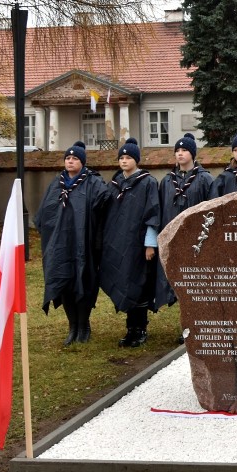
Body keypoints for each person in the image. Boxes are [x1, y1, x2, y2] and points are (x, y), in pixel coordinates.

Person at [35, 141, 110, 346]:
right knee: (64, 282)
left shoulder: (93, 182)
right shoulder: (56, 183)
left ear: (82, 162)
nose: (70, 161)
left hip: (83, 245)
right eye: (67, 158)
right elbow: (45, 213)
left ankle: (84, 325)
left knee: (82, 283)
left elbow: (102, 209)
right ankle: (72, 326)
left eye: (74, 158)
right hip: (60, 246)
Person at [99, 138, 161, 348]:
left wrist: (150, 244)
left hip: (139, 244)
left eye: (128, 158)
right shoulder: (115, 184)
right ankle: (129, 329)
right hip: (118, 243)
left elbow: (153, 213)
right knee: (124, 281)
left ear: (136, 160)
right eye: (122, 158)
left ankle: (140, 328)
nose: (124, 161)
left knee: (139, 284)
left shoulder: (148, 182)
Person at [155, 133, 214, 342]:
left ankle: (196, 327)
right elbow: (160, 210)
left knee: (195, 286)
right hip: (174, 241)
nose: (180, 154)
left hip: (197, 242)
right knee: (178, 286)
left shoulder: (205, 179)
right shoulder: (167, 182)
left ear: (193, 154)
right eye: (177, 151)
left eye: (184, 150)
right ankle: (185, 328)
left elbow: (211, 211)